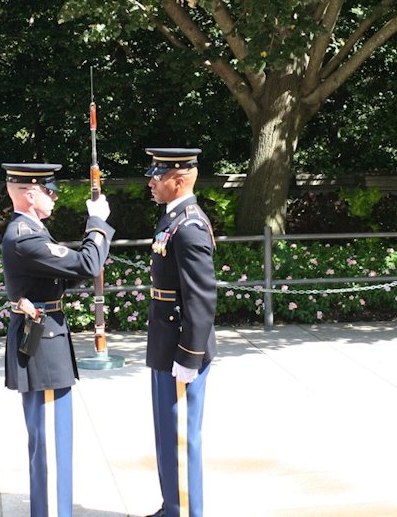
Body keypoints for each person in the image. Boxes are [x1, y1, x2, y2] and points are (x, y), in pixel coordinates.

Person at [0, 162, 114, 517]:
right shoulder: (25, 236)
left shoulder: (31, 231)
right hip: (43, 346)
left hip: (47, 338)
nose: (55, 197)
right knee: (49, 440)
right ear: (30, 194)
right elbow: (85, 265)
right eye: (49, 191)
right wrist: (97, 224)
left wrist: (87, 260)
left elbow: (64, 275)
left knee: (51, 437)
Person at [143, 148, 217, 517]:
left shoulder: (188, 227)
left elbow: (201, 299)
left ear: (181, 178)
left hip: (179, 348)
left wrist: (190, 355)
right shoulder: (172, 219)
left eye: (158, 175)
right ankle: (173, 505)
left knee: (181, 438)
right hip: (164, 341)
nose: (151, 182)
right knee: (167, 437)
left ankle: (185, 512)